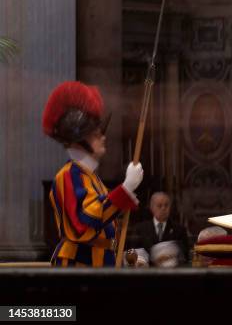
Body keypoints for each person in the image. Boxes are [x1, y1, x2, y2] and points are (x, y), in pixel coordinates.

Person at [43, 81, 143, 267]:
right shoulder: (68, 176)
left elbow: (104, 222)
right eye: (97, 134)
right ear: (80, 141)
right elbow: (85, 222)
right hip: (79, 262)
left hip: (98, 261)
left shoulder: (89, 176)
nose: (103, 138)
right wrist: (126, 188)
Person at [129, 192, 190, 264]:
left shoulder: (179, 230)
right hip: (146, 272)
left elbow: (185, 256)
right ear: (152, 207)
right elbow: (133, 253)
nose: (163, 208)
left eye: (166, 205)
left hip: (172, 272)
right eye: (159, 205)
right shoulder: (140, 229)